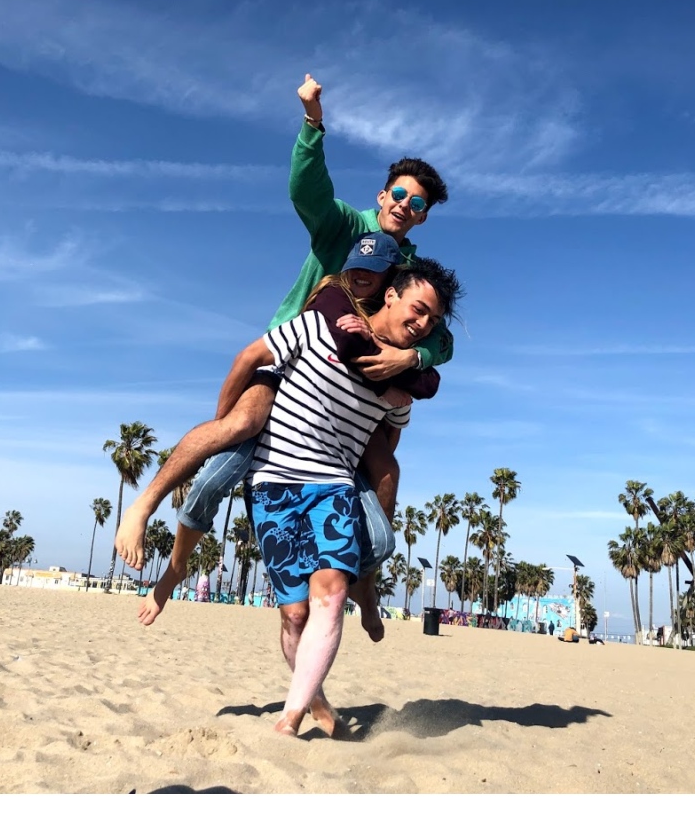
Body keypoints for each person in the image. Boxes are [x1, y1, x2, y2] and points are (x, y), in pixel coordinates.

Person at [131, 232, 427, 628]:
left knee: (387, 487)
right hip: (281, 386)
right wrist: (224, 423)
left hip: (339, 427)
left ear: (390, 284)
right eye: (356, 267)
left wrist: (409, 359)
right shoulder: (332, 302)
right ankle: (171, 559)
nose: (361, 276)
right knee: (223, 457)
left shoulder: (397, 333)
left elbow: (429, 377)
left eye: (373, 273)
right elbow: (285, 350)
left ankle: (366, 586)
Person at [250, 257, 458, 738]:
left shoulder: (404, 379)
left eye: (432, 319)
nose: (422, 323)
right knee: (295, 614)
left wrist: (407, 369)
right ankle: (317, 701)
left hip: (334, 485)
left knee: (332, 590)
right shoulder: (323, 324)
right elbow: (249, 358)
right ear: (391, 294)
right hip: (273, 482)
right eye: (418, 308)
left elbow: (392, 439)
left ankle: (290, 717)